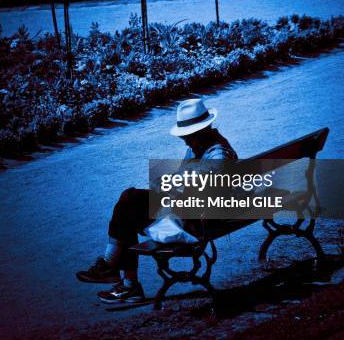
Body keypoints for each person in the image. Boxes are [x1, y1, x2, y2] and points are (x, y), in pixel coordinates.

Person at [76, 98, 237, 305]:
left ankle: (121, 278)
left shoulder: (217, 156)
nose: (185, 141)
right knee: (129, 201)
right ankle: (117, 274)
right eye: (184, 136)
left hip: (195, 223)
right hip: (187, 213)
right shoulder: (202, 145)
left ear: (202, 130)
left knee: (129, 204)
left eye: (188, 136)